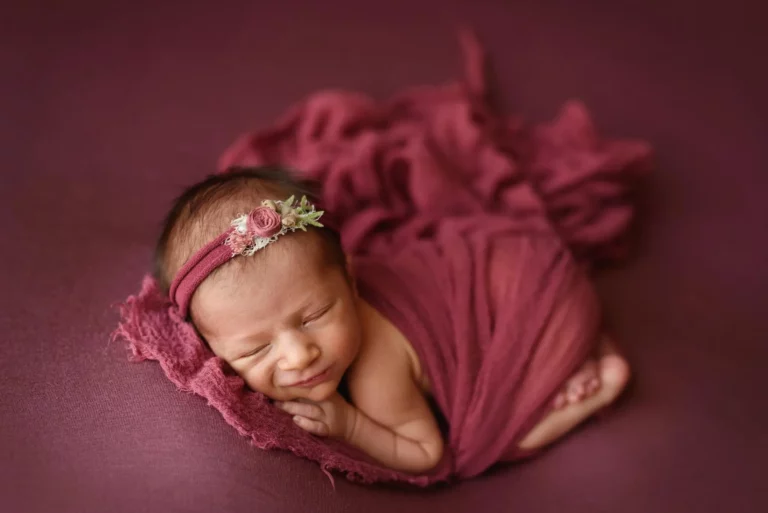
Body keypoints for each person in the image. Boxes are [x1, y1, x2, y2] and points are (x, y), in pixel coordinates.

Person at [155, 165, 630, 474]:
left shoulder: (375, 369)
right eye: (256, 349)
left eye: (316, 315)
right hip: (524, 262)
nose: (300, 355)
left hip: (538, 301)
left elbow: (427, 454)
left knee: (487, 446)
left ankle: (599, 377)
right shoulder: (318, 286)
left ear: (351, 279)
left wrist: (350, 425)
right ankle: (585, 340)